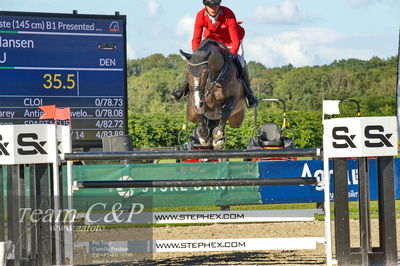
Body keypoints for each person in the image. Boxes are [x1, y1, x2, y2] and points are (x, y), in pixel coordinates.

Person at [171, 0, 258, 108]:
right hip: (212, 42)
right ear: (205, 5)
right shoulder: (200, 15)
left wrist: (232, 53)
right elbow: (196, 39)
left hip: (231, 41)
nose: (213, 8)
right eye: (209, 5)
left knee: (241, 62)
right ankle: (183, 88)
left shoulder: (228, 13)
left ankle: (250, 94)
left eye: (215, 5)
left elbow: (235, 40)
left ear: (219, 4)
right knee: (197, 63)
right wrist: (197, 55)